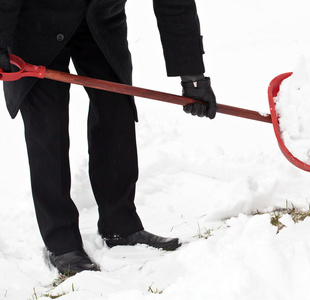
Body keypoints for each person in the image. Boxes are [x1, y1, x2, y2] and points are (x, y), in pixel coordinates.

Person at [0, 0, 217, 275]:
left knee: (117, 114)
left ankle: (120, 225)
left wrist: (193, 77)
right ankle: (61, 241)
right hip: (35, 22)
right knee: (47, 128)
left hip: (100, 19)